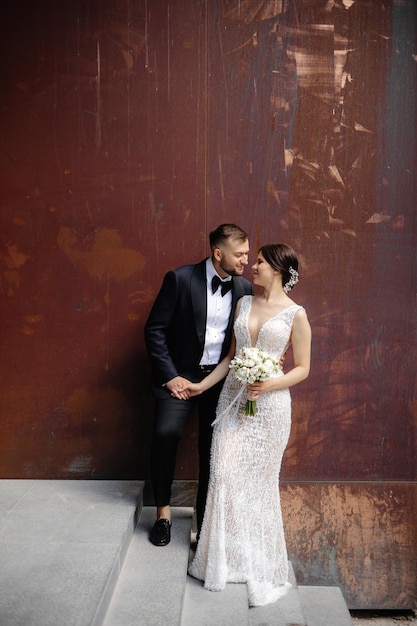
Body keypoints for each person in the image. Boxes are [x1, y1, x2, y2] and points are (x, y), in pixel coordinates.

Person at [181, 243, 311, 607]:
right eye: (253, 260)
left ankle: (254, 560)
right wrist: (201, 386)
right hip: (232, 401)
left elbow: (303, 367)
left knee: (259, 484)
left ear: (279, 270)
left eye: (260, 262)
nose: (252, 266)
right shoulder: (244, 303)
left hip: (269, 408)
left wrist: (266, 383)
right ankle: (220, 562)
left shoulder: (295, 315)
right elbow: (230, 359)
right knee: (222, 473)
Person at [144, 224, 253, 546]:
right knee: (165, 434)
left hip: (219, 382)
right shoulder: (179, 279)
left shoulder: (245, 287)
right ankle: (163, 515)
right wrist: (170, 375)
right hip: (178, 378)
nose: (245, 260)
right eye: (239, 254)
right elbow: (155, 330)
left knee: (213, 448)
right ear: (218, 253)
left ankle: (203, 520)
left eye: (248, 254)